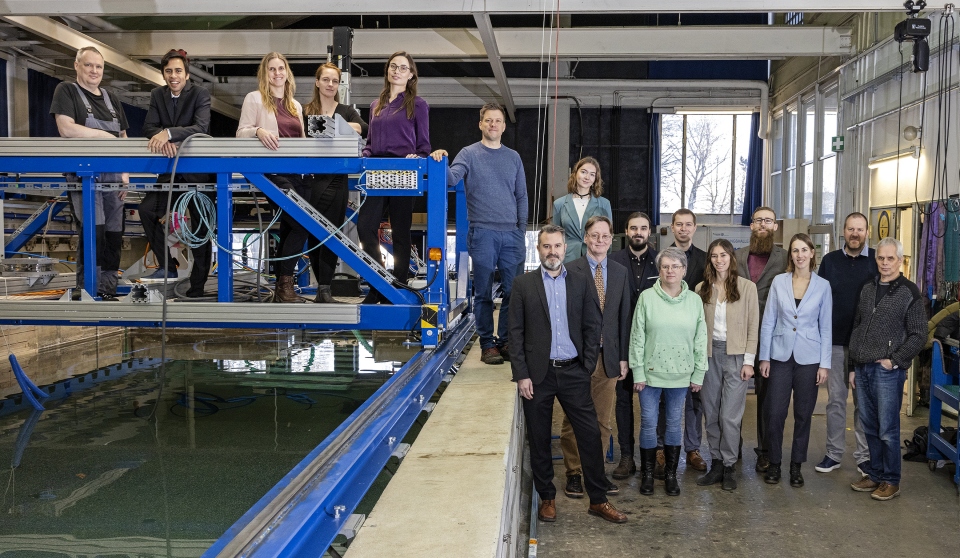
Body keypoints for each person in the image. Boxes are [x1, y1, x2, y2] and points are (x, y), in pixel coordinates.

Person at [510, 224, 627, 524]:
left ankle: (598, 500)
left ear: (565, 248)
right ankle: (547, 497)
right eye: (546, 246)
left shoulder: (579, 281)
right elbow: (515, 333)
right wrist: (522, 374)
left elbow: (592, 325)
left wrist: (587, 365)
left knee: (589, 434)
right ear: (538, 249)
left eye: (557, 246)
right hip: (538, 376)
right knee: (538, 439)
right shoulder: (523, 285)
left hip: (574, 371)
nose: (552, 252)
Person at [429, 103, 527, 365]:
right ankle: (487, 343)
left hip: (512, 234)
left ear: (504, 126)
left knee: (513, 292)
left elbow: (521, 195)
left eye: (498, 121)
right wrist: (439, 159)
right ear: (481, 124)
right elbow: (450, 179)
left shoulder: (514, 157)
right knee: (483, 291)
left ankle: (505, 340)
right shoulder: (469, 153)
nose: (493, 124)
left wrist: (521, 228)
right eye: (488, 120)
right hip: (483, 232)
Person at [848, 237, 927, 501]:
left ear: (900, 260)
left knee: (888, 429)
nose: (884, 263)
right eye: (880, 258)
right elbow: (857, 326)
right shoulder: (867, 288)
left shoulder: (909, 292)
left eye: (890, 258)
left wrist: (894, 360)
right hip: (862, 367)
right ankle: (875, 473)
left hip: (887, 371)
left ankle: (891, 480)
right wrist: (852, 366)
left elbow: (919, 335)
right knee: (869, 425)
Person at [558, 216, 631, 499]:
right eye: (594, 235)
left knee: (602, 421)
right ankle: (574, 473)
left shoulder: (619, 271)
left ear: (611, 240)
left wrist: (623, 357)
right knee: (572, 420)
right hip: (576, 358)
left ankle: (595, 473)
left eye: (605, 236)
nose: (599, 240)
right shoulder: (570, 270)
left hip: (608, 358)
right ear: (585, 238)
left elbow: (623, 318)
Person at [50, 46, 130, 300]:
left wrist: (126, 173)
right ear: (77, 66)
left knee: (114, 233)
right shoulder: (67, 91)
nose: (94, 71)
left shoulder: (111, 98)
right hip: (85, 175)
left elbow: (124, 137)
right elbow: (66, 129)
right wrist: (104, 135)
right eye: (88, 65)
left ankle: (106, 290)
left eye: (99, 66)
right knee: (95, 229)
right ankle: (88, 290)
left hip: (114, 175)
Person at [629, 246, 708, 497]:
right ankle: (649, 475)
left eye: (675, 266)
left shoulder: (694, 301)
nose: (670, 270)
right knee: (649, 424)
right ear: (659, 270)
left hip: (681, 375)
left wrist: (698, 374)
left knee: (674, 425)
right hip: (650, 375)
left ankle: (672, 476)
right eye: (665, 266)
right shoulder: (646, 298)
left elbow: (700, 339)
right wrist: (638, 372)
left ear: (684, 271)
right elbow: (637, 336)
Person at [139, 48, 214, 298]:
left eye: (178, 71)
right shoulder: (157, 94)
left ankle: (198, 285)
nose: (173, 76)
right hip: (170, 171)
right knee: (147, 211)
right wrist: (165, 139)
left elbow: (200, 127)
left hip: (197, 174)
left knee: (201, 229)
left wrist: (168, 133)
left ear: (187, 73)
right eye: (169, 71)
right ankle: (168, 267)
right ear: (163, 73)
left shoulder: (200, 94)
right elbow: (149, 126)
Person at [758, 233, 832, 488]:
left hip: (809, 358)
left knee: (803, 414)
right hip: (779, 355)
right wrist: (764, 356)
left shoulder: (823, 286)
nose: (799, 255)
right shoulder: (779, 282)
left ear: (812, 253)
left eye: (804, 250)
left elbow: (826, 327)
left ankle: (796, 465)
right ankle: (775, 463)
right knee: (775, 412)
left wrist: (825, 364)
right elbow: (768, 321)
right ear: (790, 255)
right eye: (795, 250)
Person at [359, 51, 430, 304]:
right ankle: (379, 284)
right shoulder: (375, 105)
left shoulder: (417, 104)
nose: (397, 71)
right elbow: (369, 143)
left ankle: (397, 286)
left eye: (403, 68)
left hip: (403, 172)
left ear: (411, 75)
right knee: (365, 227)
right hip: (377, 172)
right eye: (393, 66)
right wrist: (365, 154)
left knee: (400, 231)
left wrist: (418, 157)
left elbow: (424, 145)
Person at [236, 52, 308, 303]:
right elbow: (240, 133)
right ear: (265, 74)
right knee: (302, 222)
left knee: (291, 226)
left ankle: (282, 288)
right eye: (272, 69)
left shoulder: (295, 106)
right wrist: (257, 130)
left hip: (295, 173)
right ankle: (285, 285)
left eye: (281, 69)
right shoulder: (254, 99)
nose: (277, 73)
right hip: (271, 173)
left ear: (287, 73)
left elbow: (302, 142)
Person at [814, 212, 877, 475]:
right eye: (850, 229)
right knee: (836, 401)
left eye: (859, 229)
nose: (855, 234)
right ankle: (834, 453)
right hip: (836, 342)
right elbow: (817, 298)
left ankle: (863, 457)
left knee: (863, 402)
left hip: (866, 345)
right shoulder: (830, 261)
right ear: (843, 231)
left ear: (867, 231)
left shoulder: (877, 260)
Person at [695, 239, 759, 491]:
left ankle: (730, 464)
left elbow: (753, 326)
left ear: (732, 258)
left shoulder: (747, 288)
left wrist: (749, 361)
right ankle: (717, 463)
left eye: (723, 255)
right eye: (714, 255)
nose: (719, 260)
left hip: (736, 355)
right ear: (709, 259)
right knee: (710, 412)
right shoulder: (702, 288)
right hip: (710, 355)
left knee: (729, 415)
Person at [302, 63, 368, 303]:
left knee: (332, 234)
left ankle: (325, 289)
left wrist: (331, 126)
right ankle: (321, 288)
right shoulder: (305, 110)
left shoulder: (346, 110)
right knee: (313, 234)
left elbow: (363, 129)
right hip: (310, 180)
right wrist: (339, 130)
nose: (330, 85)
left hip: (337, 180)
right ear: (317, 82)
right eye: (326, 80)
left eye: (334, 81)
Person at [735, 205, 789, 472]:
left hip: (772, 337)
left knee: (769, 399)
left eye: (768, 221)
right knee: (733, 394)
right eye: (758, 221)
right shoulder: (737, 256)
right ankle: (732, 447)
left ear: (775, 226)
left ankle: (765, 451)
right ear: (751, 225)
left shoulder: (786, 258)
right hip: (739, 335)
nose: (763, 225)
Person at [608, 212, 659, 479]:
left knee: (655, 402)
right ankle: (627, 456)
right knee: (623, 401)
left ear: (650, 232)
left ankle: (656, 454)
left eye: (643, 228)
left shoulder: (661, 263)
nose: (638, 232)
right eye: (633, 228)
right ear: (625, 232)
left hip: (653, 345)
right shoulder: (613, 261)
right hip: (622, 341)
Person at [659, 208, 709, 474]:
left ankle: (692, 449)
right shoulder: (663, 258)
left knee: (694, 398)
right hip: (666, 337)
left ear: (695, 227)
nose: (683, 229)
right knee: (662, 397)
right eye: (679, 224)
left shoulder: (704, 260)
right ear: (672, 226)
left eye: (688, 224)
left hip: (692, 335)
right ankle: (658, 450)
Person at [552, 157, 612, 263]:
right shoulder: (559, 204)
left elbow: (609, 235)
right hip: (567, 259)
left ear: (595, 179)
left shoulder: (604, 204)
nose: (587, 177)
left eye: (592, 174)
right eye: (584, 172)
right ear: (575, 173)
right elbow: (555, 236)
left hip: (594, 257)